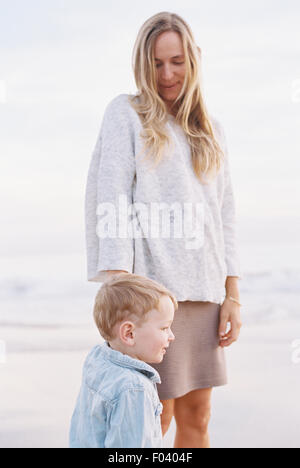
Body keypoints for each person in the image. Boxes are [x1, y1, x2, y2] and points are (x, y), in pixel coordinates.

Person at [85, 11, 242, 448]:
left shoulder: (212, 131)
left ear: (192, 61)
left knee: (199, 415)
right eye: (156, 63)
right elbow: (111, 195)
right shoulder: (126, 114)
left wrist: (232, 295)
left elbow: (224, 214)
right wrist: (119, 292)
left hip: (205, 293)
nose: (167, 74)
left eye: (176, 61)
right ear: (142, 65)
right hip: (152, 298)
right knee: (152, 420)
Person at [69, 273, 177, 448]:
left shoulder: (97, 357)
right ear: (129, 333)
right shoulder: (134, 389)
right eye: (164, 328)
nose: (171, 336)